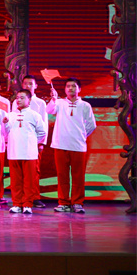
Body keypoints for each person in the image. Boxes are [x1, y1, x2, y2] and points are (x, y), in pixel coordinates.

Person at [47, 78, 96, 213]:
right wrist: (53, 99)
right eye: (68, 86)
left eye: (73, 86)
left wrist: (81, 136)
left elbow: (92, 124)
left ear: (79, 89)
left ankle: (77, 202)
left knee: (78, 176)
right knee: (62, 175)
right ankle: (63, 202)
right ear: (65, 89)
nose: (70, 88)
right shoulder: (60, 103)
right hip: (60, 145)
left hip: (78, 146)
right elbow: (49, 110)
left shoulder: (85, 105)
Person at [3, 89, 47, 214]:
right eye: (17, 98)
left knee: (29, 180)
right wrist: (5, 124)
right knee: (16, 180)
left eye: (22, 97)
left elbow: (42, 132)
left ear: (29, 100)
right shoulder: (10, 115)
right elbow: (5, 133)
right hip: (14, 152)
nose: (19, 100)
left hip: (29, 153)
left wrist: (32, 142)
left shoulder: (35, 115)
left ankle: (27, 204)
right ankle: (17, 204)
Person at [12, 75, 50, 208]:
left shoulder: (40, 103)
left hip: (34, 142)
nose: (28, 86)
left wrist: (41, 142)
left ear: (36, 86)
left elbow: (44, 124)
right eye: (25, 84)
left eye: (30, 84)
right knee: (19, 172)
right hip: (19, 141)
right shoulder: (16, 102)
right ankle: (21, 198)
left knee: (34, 170)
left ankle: (34, 196)